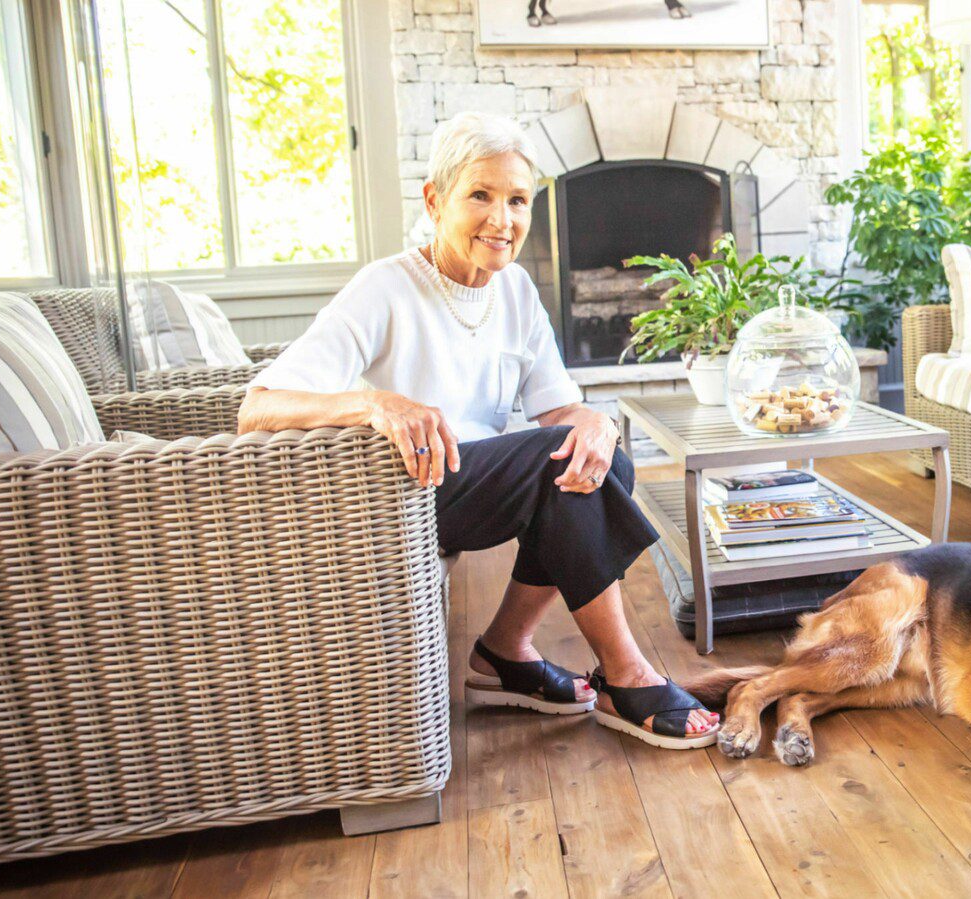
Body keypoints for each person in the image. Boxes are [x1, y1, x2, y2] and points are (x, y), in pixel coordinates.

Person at [237, 111, 719, 750]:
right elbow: (258, 408)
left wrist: (599, 425)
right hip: (399, 492)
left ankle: (504, 653)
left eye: (517, 200)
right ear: (436, 201)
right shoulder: (384, 288)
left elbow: (557, 411)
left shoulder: (515, 290)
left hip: (470, 480)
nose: (502, 220)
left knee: (603, 460)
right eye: (480, 196)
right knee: (561, 462)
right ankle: (626, 674)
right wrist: (375, 404)